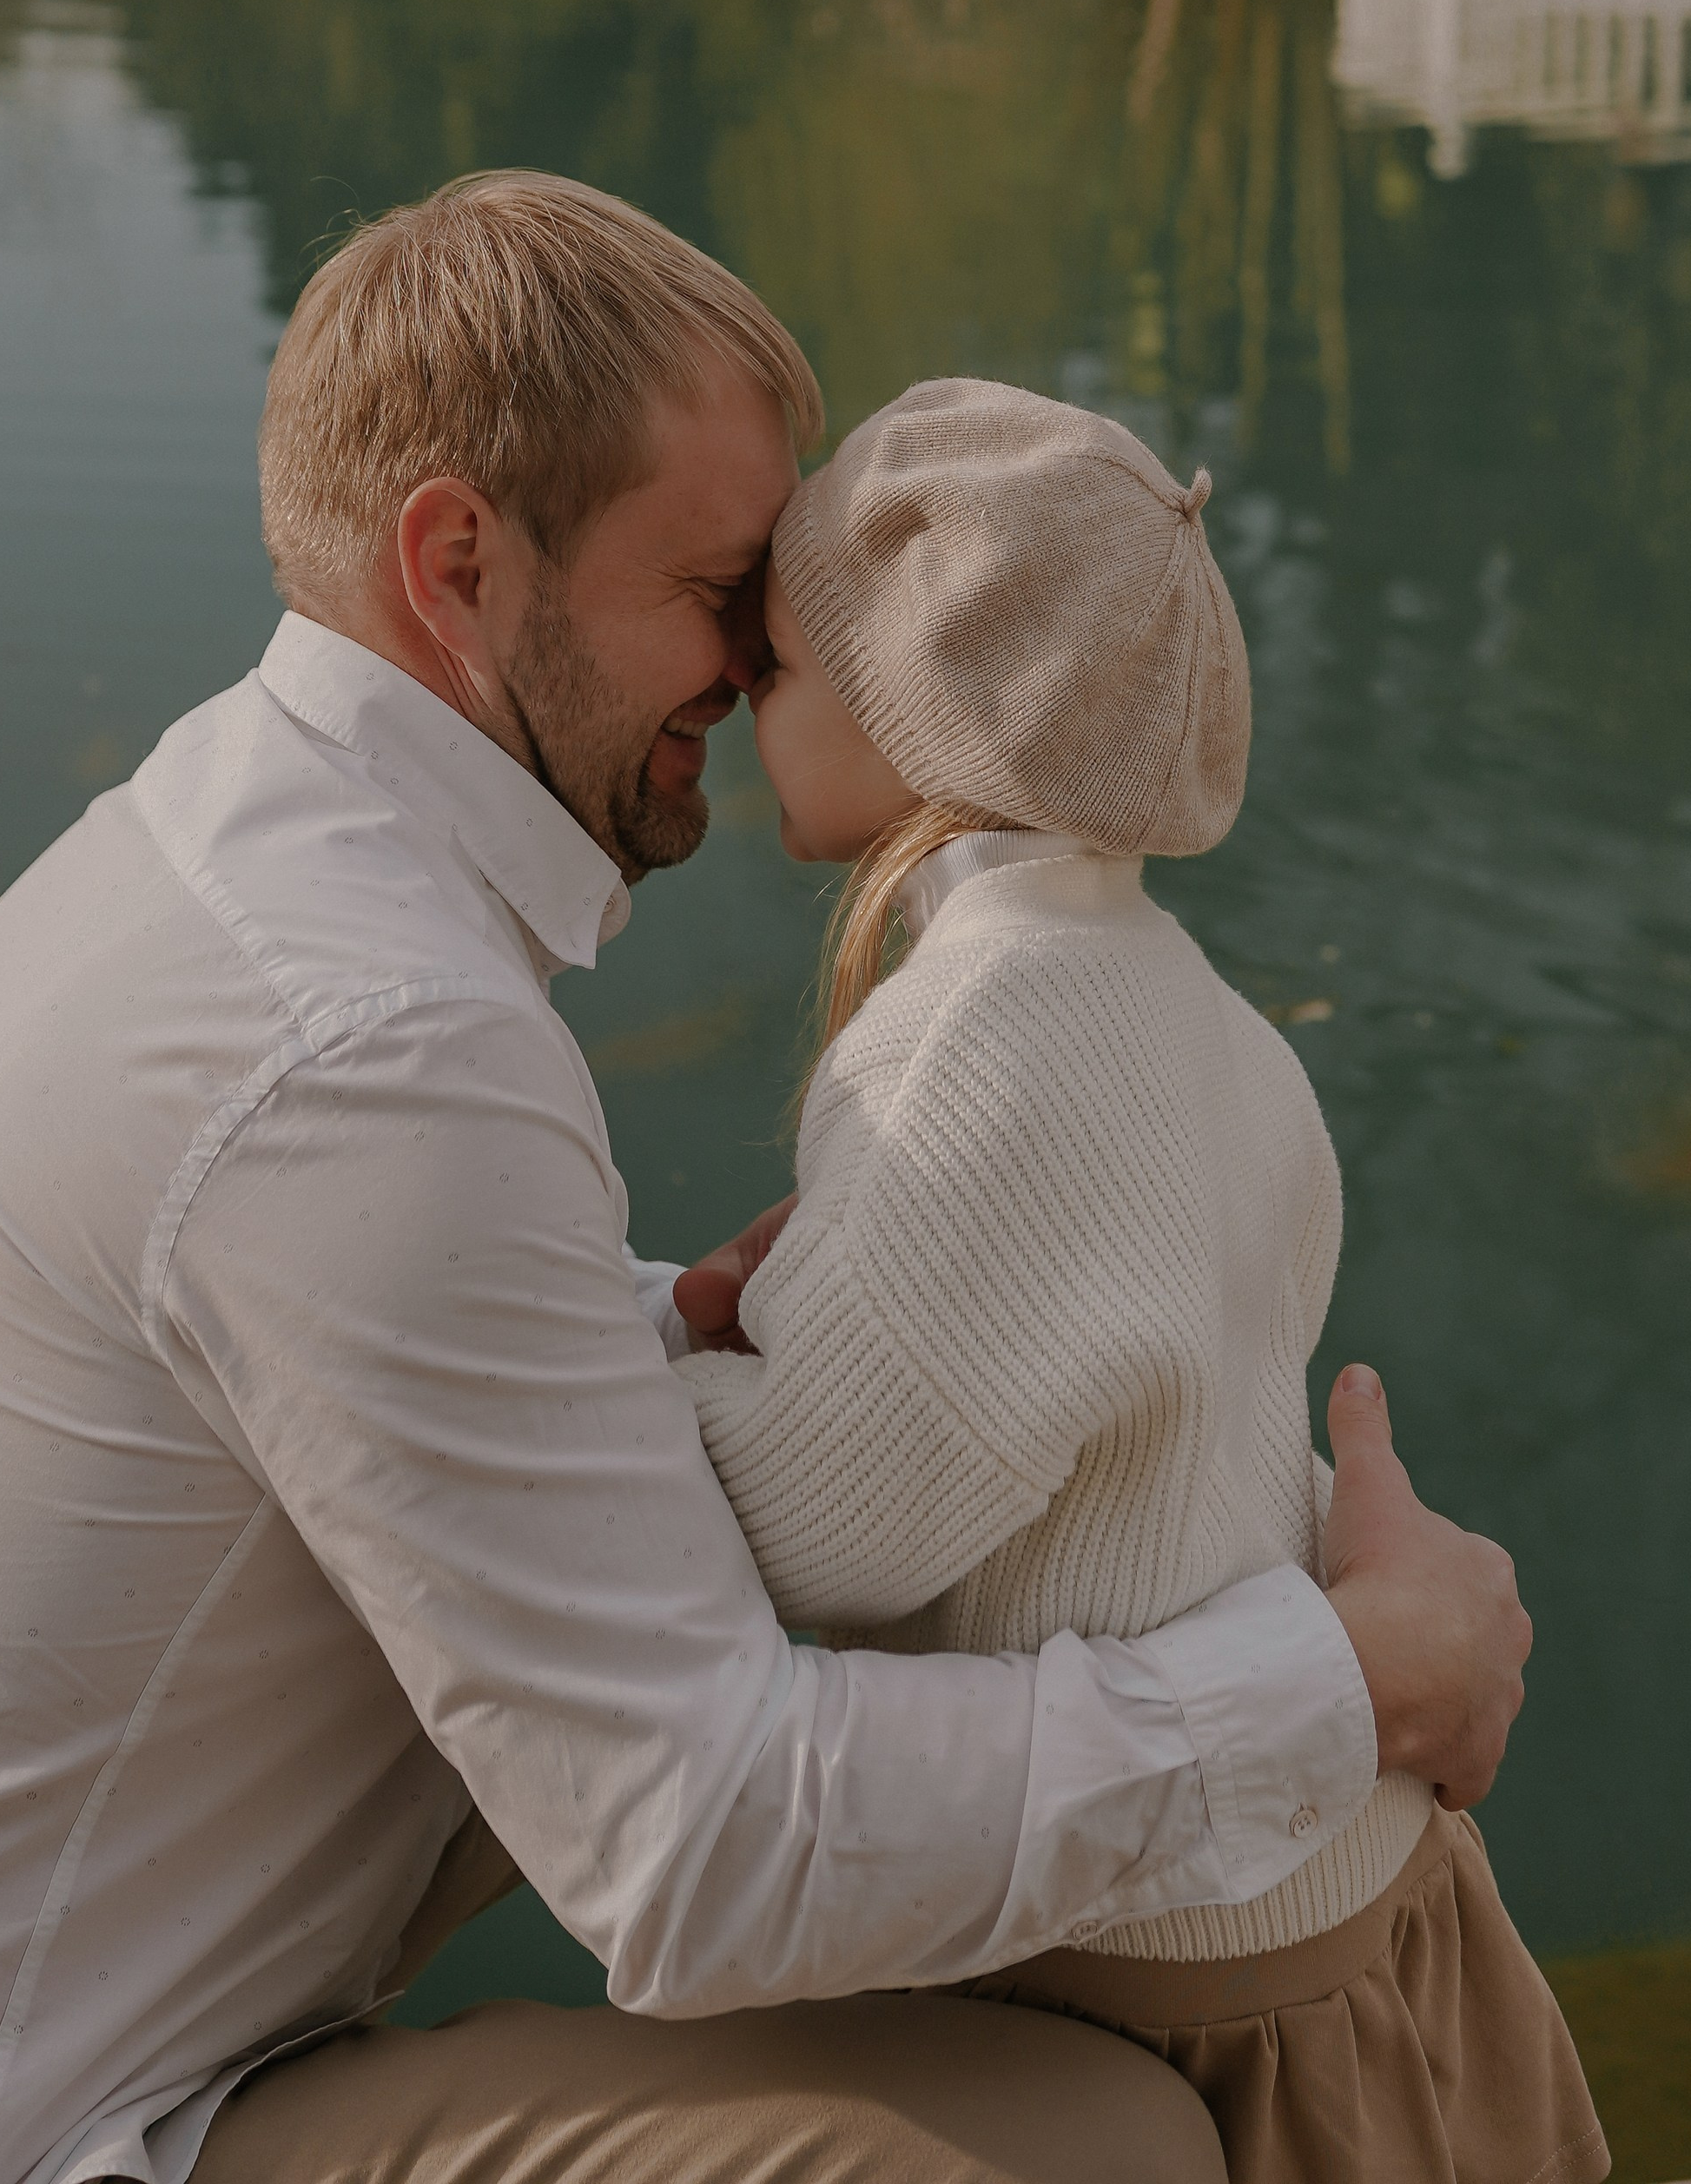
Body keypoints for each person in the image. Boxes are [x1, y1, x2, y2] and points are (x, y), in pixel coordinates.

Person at [0, 174, 1531, 2184]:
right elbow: (696, 1854)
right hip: (29, 2126)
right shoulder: (368, 1045)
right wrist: (1338, 1685)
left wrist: (664, 1323)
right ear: (459, 559)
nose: (764, 665)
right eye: (720, 588)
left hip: (62, 2015)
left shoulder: (226, 853)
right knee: (1089, 2153)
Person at [685, 377, 1602, 2184]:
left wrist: (658, 1360)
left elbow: (821, 1527)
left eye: (779, 659)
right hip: (1371, 1891)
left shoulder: (970, 1035)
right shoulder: (1220, 1027)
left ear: (920, 699)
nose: (735, 693)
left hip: (1169, 1973)